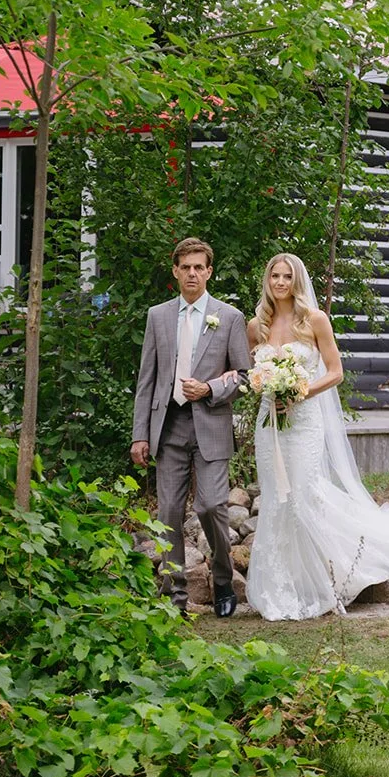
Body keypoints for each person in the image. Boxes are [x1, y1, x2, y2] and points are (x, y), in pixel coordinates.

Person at [245, 252, 389, 620]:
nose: (279, 283)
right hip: (270, 424)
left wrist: (299, 392)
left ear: (297, 280)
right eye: (274, 275)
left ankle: (324, 578)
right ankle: (280, 585)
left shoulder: (315, 320)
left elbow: (335, 372)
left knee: (304, 494)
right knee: (275, 498)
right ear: (267, 280)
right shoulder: (257, 325)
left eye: (286, 276)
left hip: (304, 420)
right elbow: (254, 371)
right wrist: (267, 388)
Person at [131, 237, 252, 617]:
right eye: (186, 267)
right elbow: (146, 379)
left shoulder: (229, 317)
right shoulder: (158, 316)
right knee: (167, 511)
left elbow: (246, 377)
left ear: (209, 271)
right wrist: (140, 434)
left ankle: (221, 579)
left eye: (199, 267)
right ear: (175, 271)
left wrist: (210, 388)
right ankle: (174, 597)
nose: (193, 273)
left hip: (211, 424)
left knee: (212, 505)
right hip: (169, 426)